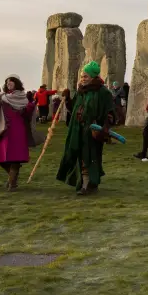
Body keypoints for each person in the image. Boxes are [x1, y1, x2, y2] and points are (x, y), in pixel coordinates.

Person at [55, 61, 113, 195]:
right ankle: (89, 183)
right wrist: (68, 99)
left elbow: (110, 112)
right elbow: (73, 109)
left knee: (90, 157)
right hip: (78, 130)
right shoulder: (81, 91)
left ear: (93, 77)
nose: (83, 79)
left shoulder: (103, 92)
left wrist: (104, 127)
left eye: (85, 76)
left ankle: (87, 186)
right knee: (79, 156)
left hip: (93, 131)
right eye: (82, 76)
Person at [0, 75, 36, 192]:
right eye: (7, 82)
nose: (8, 83)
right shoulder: (3, 97)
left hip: (18, 129)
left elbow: (28, 112)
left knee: (15, 157)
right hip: (5, 129)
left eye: (11, 81)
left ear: (16, 83)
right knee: (0, 158)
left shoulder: (23, 97)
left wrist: (28, 108)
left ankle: (12, 183)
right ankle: (12, 176)